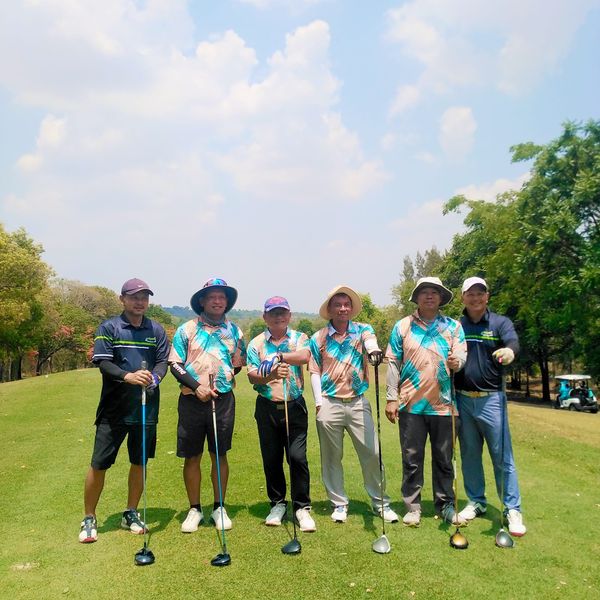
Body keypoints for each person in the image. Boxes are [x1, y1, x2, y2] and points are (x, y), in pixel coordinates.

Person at [79, 278, 170, 543]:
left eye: (144, 297)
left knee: (139, 462)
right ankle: (89, 517)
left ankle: (130, 512)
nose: (140, 301)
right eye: (134, 297)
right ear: (123, 299)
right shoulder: (109, 327)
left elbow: (162, 361)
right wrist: (128, 376)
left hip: (146, 408)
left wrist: (155, 377)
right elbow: (104, 363)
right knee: (100, 463)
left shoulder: (156, 329)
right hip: (114, 409)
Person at [309, 285, 398, 524]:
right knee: (331, 457)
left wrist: (374, 352)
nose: (343, 308)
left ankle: (381, 503)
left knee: (372, 453)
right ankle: (339, 503)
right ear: (330, 309)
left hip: (358, 401)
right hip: (329, 401)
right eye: (337, 304)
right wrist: (318, 403)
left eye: (346, 304)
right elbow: (315, 370)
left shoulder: (362, 330)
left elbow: (371, 344)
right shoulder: (319, 337)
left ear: (351, 308)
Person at [385, 277, 467, 527]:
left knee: (444, 458)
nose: (429, 296)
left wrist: (458, 363)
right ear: (417, 298)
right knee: (411, 458)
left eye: (434, 292)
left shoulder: (453, 326)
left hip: (445, 404)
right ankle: (413, 506)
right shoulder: (403, 326)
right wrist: (391, 398)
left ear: (441, 298)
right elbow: (392, 362)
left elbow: (461, 354)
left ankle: (446, 505)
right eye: (424, 292)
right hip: (411, 404)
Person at [169, 278, 246, 533]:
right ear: (202, 301)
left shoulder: (235, 331)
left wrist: (221, 380)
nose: (217, 301)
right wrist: (197, 386)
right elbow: (175, 364)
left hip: (222, 399)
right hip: (192, 400)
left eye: (221, 297)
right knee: (192, 455)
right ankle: (194, 509)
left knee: (219, 453)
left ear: (226, 302)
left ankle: (219, 506)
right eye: (212, 297)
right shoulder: (186, 329)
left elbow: (237, 363)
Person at [454, 276, 526, 536]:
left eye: (480, 293)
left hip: (492, 399)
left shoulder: (499, 323)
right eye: (470, 294)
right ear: (463, 297)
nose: (476, 298)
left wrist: (510, 352)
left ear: (487, 296)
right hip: (462, 398)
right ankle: (476, 501)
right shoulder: (456, 326)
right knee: (470, 455)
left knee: (502, 456)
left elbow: (512, 342)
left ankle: (511, 508)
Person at [246, 296, 315, 532]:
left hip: (294, 406)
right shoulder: (256, 344)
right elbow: (252, 375)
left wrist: (280, 356)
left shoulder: (299, 338)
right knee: (272, 459)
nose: (278, 317)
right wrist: (272, 375)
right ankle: (277, 503)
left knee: (297, 457)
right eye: (273, 313)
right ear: (265, 317)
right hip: (267, 407)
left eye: (282, 312)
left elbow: (305, 356)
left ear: (289, 315)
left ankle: (302, 507)